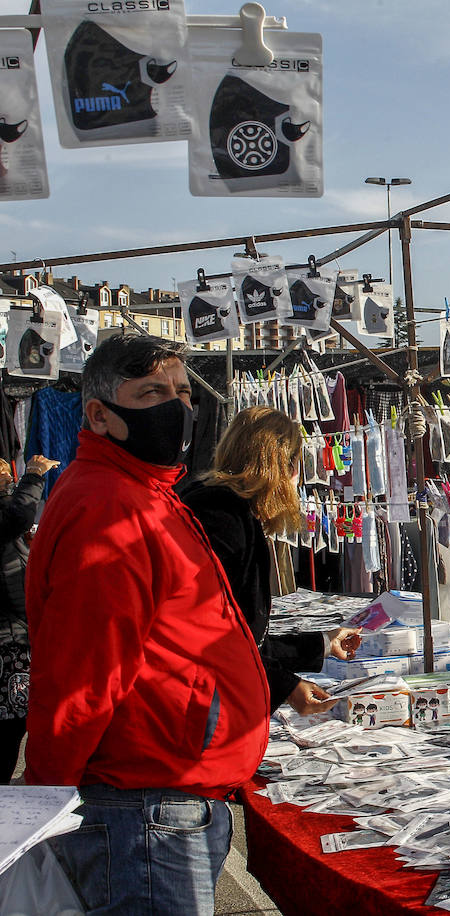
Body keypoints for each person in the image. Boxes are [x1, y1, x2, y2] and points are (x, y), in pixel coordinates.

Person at [26, 336, 270, 916]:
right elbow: (85, 672)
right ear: (100, 415)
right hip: (143, 808)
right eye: (152, 392)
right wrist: (46, 796)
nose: (177, 407)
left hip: (163, 800)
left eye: (183, 391)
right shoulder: (109, 506)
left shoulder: (144, 492)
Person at [179, 406, 358, 717]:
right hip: (197, 707)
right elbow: (218, 638)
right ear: (285, 468)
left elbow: (246, 636)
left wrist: (323, 644)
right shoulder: (223, 522)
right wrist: (285, 686)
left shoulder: (221, 509)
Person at [0, 453, 58, 781]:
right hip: (9, 644)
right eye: (5, 479)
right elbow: (18, 514)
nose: (9, 480)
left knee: (14, 725)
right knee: (9, 728)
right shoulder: (8, 517)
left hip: (15, 641)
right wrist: (34, 476)